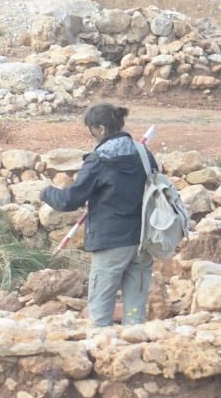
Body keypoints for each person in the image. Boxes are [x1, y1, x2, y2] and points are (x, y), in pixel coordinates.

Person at [42, 103, 157, 327]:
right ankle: (134, 347)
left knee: (100, 308)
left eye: (91, 130)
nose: (92, 135)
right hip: (143, 241)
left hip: (111, 243)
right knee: (135, 308)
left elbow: (69, 201)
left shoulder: (98, 161)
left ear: (101, 129)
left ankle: (100, 348)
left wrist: (47, 193)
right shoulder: (144, 154)